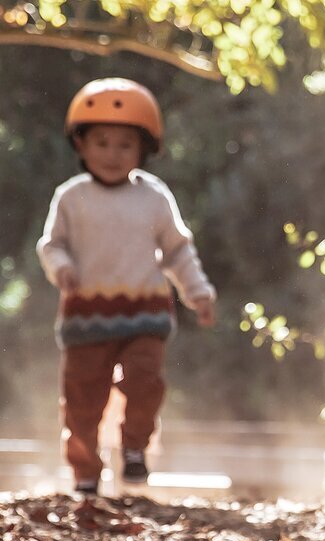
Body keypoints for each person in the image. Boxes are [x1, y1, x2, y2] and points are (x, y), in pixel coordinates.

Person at [37, 78, 216, 496]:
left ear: (144, 149)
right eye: (101, 142)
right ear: (80, 144)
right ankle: (85, 471)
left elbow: (177, 251)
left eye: (124, 144)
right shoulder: (70, 197)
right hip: (85, 318)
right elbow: (52, 244)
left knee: (145, 380)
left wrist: (198, 293)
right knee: (82, 398)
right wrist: (60, 266)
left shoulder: (153, 197)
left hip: (145, 313)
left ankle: (134, 448)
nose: (112, 154)